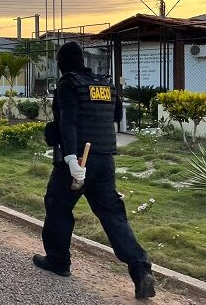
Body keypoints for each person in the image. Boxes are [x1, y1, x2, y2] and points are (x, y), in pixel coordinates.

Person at [33, 41, 155, 300]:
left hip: (78, 159)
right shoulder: (106, 85)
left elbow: (68, 123)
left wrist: (71, 159)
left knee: (57, 205)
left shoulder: (68, 84)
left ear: (62, 63)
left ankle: (58, 261)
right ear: (83, 61)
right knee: (113, 215)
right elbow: (116, 116)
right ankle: (140, 268)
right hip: (105, 159)